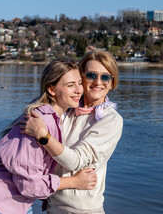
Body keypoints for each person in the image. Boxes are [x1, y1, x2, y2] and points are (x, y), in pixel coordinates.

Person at [0, 58, 97, 214]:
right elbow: (29, 185)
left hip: (18, 204)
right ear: (52, 90)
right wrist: (74, 182)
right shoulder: (39, 121)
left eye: (79, 83)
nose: (78, 90)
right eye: (70, 85)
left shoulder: (52, 116)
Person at [22, 50, 123, 213]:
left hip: (81, 209)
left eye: (105, 77)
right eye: (91, 75)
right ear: (80, 77)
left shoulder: (111, 120)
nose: (98, 82)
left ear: (112, 83)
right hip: (52, 205)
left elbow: (76, 161)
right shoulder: (66, 107)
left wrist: (43, 136)